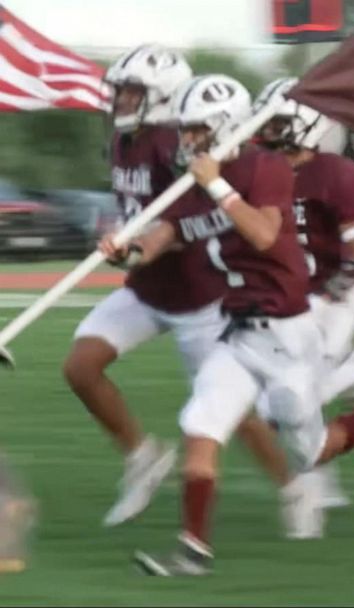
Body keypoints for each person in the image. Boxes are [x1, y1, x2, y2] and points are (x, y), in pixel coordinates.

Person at [127, 74, 354, 575]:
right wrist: (124, 249)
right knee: (199, 424)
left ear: (222, 128)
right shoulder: (191, 185)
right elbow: (161, 236)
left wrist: (215, 183)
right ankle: (193, 549)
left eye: (195, 130)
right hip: (237, 333)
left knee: (311, 453)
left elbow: (263, 234)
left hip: (288, 332)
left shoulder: (264, 169)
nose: (186, 140)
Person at [62, 45, 228, 527]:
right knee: (81, 366)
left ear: (163, 95)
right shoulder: (121, 142)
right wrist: (123, 238)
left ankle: (298, 479)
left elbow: (195, 219)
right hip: (147, 287)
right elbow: (137, 210)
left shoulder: (176, 146)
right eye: (121, 90)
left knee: (235, 412)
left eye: (132, 91)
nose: (121, 100)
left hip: (197, 293)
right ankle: (143, 457)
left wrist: (140, 246)